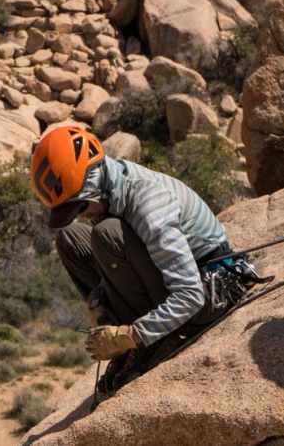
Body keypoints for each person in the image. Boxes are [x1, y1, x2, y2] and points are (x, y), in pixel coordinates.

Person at [30, 126, 231, 392]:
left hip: (207, 294)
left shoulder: (148, 202)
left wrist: (131, 335)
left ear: (93, 183)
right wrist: (101, 299)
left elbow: (190, 295)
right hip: (167, 281)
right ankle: (127, 334)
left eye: (80, 206)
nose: (81, 215)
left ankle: (154, 341)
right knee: (71, 238)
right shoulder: (108, 187)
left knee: (106, 234)